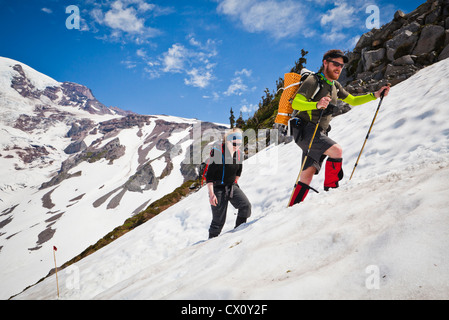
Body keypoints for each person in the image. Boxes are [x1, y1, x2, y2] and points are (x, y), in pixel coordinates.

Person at [290, 49, 390, 204]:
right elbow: (296, 102)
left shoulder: (335, 86)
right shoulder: (313, 81)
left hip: (318, 132)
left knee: (307, 175)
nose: (339, 68)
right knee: (336, 151)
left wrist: (375, 95)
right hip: (307, 129)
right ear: (325, 63)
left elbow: (353, 100)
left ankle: (292, 207)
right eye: (335, 64)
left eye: (341, 65)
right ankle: (332, 193)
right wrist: (316, 104)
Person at [206, 128, 251, 238]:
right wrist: (212, 195)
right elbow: (209, 177)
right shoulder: (218, 153)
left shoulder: (239, 154)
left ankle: (238, 232)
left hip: (231, 186)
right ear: (227, 141)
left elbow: (238, 172)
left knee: (245, 206)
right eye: (234, 143)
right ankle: (209, 244)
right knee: (219, 221)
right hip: (217, 188)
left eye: (239, 143)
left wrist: (234, 185)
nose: (237, 146)